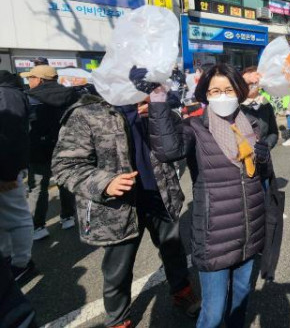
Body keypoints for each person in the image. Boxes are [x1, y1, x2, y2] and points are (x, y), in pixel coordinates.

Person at [52, 67, 200, 328]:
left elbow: (177, 143)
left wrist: (160, 112)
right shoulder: (86, 113)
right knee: (118, 269)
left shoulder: (151, 107)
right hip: (116, 207)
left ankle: (182, 294)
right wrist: (105, 183)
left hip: (160, 194)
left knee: (173, 250)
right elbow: (66, 165)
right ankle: (118, 320)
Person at [147, 64, 276, 328]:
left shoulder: (251, 124)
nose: (222, 95)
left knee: (240, 300)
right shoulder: (195, 126)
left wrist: (263, 157)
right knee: (213, 313)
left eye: (228, 89)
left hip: (250, 229)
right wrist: (158, 101)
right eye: (215, 90)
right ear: (205, 94)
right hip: (214, 235)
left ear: (239, 92)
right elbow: (168, 151)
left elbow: (261, 172)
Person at [20, 65, 78, 240]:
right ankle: (68, 216)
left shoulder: (28, 98)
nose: (28, 81)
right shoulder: (70, 95)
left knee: (38, 187)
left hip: (38, 149)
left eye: (31, 78)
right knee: (65, 183)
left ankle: (38, 226)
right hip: (66, 146)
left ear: (39, 79)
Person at [0, 71, 34, 281]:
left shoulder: (6, 94)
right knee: (5, 218)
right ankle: (8, 257)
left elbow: (12, 136)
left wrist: (8, 173)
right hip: (6, 167)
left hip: (6, 169)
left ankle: (21, 262)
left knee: (16, 216)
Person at [241, 67, 279, 155]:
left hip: (263, 160)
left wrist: (266, 146)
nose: (250, 86)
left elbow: (273, 132)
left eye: (254, 82)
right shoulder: (236, 106)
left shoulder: (266, 105)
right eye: (246, 83)